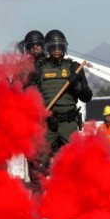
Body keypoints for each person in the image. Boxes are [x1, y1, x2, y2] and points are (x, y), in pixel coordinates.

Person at [28, 29, 93, 192]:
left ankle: (74, 203)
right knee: (39, 166)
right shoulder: (38, 68)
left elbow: (87, 96)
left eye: (60, 46)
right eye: (53, 46)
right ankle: (38, 205)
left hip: (68, 124)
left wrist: (76, 83)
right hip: (46, 124)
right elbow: (28, 94)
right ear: (47, 48)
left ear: (64, 48)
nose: (57, 49)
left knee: (73, 164)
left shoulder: (74, 68)